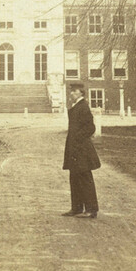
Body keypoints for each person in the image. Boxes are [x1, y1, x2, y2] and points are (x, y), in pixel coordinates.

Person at [62, 82, 101, 218]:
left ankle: (91, 209)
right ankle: (77, 208)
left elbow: (91, 128)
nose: (71, 94)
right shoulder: (77, 106)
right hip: (75, 149)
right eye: (71, 91)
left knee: (84, 178)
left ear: (80, 93)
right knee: (74, 177)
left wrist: (78, 139)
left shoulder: (83, 107)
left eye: (73, 91)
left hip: (81, 150)